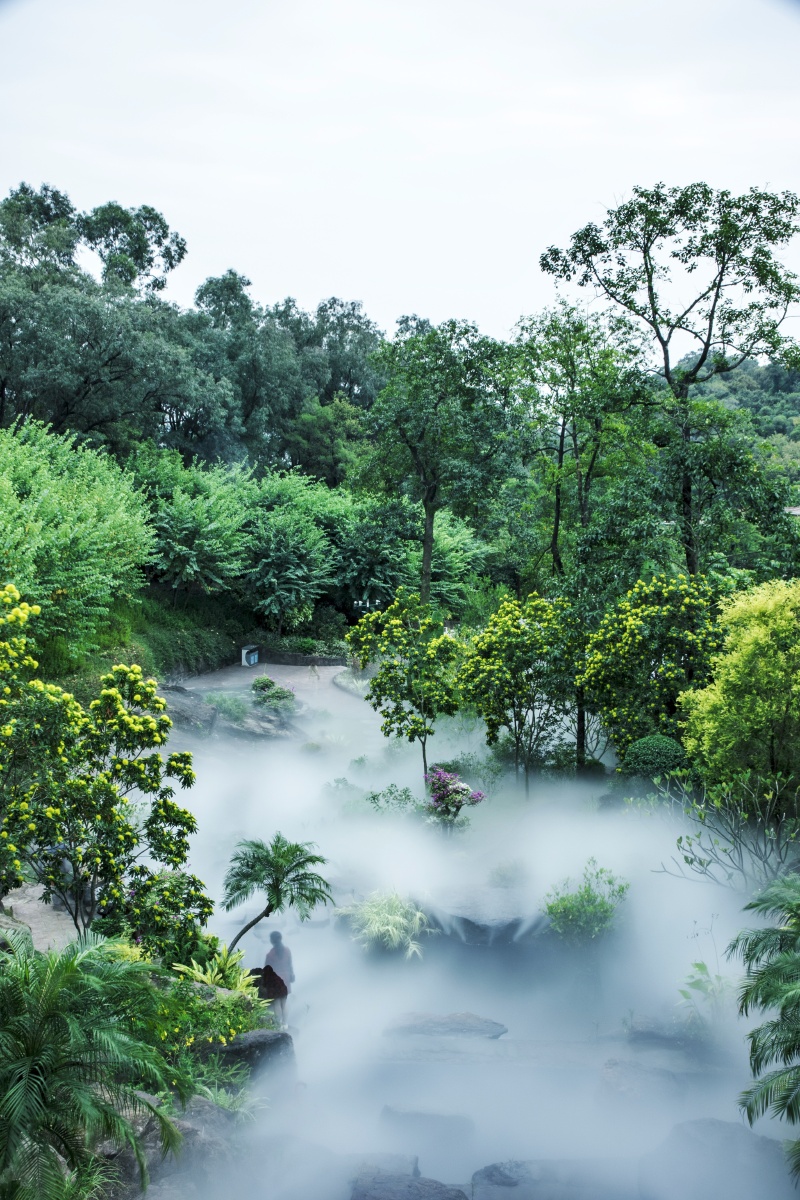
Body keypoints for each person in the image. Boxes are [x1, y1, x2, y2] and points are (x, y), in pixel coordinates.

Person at [264, 930, 294, 1024]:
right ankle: (285, 1024)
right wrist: (291, 974)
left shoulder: (270, 955)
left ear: (272, 941)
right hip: (286, 979)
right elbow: (290, 965)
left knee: (277, 1003)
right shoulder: (287, 951)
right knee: (284, 1004)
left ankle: (278, 1025)